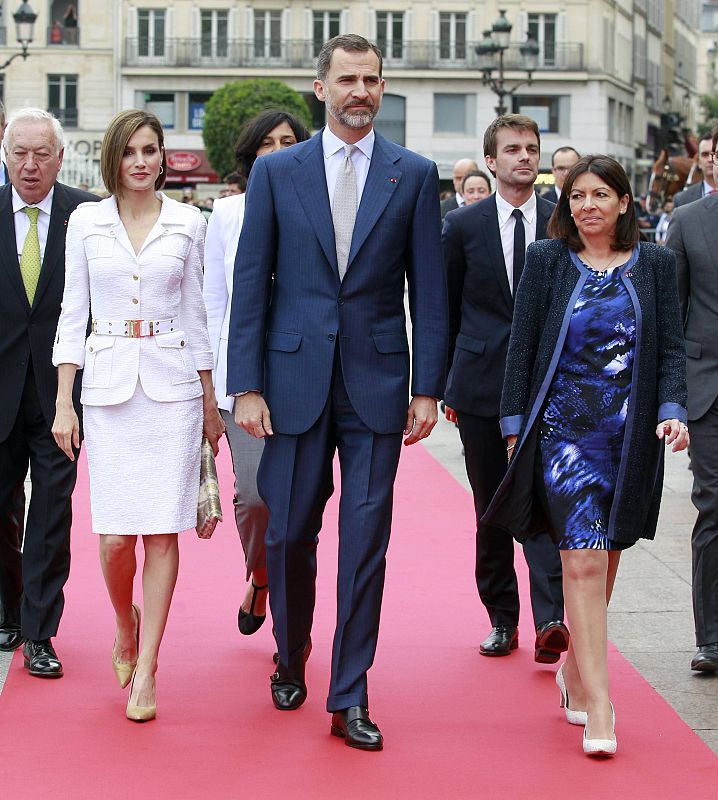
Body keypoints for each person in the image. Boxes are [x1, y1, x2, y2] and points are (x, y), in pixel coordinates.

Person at [227, 34, 447, 751]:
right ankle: (290, 654)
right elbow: (251, 284)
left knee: (365, 540)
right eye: (348, 79)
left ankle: (350, 691)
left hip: (377, 384)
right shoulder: (277, 172)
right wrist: (246, 385)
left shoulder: (413, 174)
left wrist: (427, 388)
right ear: (320, 88)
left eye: (372, 80)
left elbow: (429, 291)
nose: (361, 92)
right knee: (289, 531)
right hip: (291, 380)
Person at [485, 155, 688, 756]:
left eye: (600, 195)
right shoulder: (547, 261)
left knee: (608, 557)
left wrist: (672, 409)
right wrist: (513, 425)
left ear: (624, 202)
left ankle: (576, 671)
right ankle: (601, 704)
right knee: (581, 563)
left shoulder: (656, 263)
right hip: (563, 434)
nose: (587, 206)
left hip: (629, 433)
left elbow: (671, 349)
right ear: (566, 205)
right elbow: (522, 345)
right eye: (577, 196)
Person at [52, 109, 224, 721]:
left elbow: (197, 313)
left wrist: (209, 399)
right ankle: (123, 624)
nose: (142, 162)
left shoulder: (188, 222)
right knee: (115, 539)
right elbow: (73, 311)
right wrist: (63, 401)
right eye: (130, 151)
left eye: (151, 150)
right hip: (107, 390)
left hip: (173, 389)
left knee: (161, 533)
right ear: (113, 158)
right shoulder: (85, 221)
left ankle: (147, 667)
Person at [442, 114, 567, 663]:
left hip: (549, 385)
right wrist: (444, 384)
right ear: (491, 162)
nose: (524, 157)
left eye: (531, 148)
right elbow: (444, 309)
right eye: (513, 149)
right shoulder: (462, 226)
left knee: (546, 500)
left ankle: (551, 619)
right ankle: (501, 617)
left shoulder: (561, 222)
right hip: (481, 385)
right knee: (491, 505)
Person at [204, 109, 310, 638]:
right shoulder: (227, 213)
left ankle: (290, 627)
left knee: (297, 505)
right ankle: (261, 575)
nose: (277, 152)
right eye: (266, 143)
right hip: (242, 376)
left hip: (305, 373)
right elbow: (213, 302)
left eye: (288, 142)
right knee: (253, 495)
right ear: (251, 156)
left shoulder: (317, 206)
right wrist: (208, 388)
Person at [0, 108, 97, 674]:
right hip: (1, 389)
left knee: (51, 513)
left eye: (42, 154)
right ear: (6, 156)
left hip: (64, 393)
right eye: (20, 154)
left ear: (60, 158)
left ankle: (39, 632)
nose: (30, 165)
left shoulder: (87, 214)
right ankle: (8, 607)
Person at [666, 132, 718, 674]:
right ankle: (713, 638)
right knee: (714, 506)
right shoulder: (688, 220)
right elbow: (671, 316)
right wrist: (672, 400)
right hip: (710, 388)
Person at [673, 133, 716, 207]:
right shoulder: (681, 199)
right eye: (705, 154)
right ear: (698, 161)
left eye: (715, 154)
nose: (710, 159)